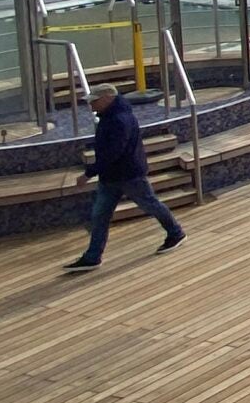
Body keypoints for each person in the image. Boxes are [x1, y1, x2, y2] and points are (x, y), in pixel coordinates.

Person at [66, 82, 185, 270]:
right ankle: (93, 256)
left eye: (94, 101)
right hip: (111, 176)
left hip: (129, 175)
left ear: (107, 98)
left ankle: (175, 232)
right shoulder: (110, 116)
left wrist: (89, 173)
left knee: (150, 204)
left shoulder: (119, 120)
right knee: (100, 215)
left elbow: (114, 152)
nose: (91, 105)